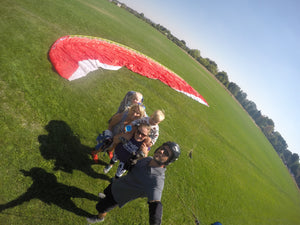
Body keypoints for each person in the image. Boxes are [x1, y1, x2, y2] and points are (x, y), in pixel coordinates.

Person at [87, 141, 181, 225]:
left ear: (169, 161)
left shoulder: (157, 180)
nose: (161, 151)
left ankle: (99, 218)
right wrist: (136, 158)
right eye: (162, 148)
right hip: (117, 183)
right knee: (106, 192)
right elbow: (136, 166)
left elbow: (155, 206)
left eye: (166, 153)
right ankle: (105, 198)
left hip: (119, 196)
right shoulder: (148, 159)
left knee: (101, 208)